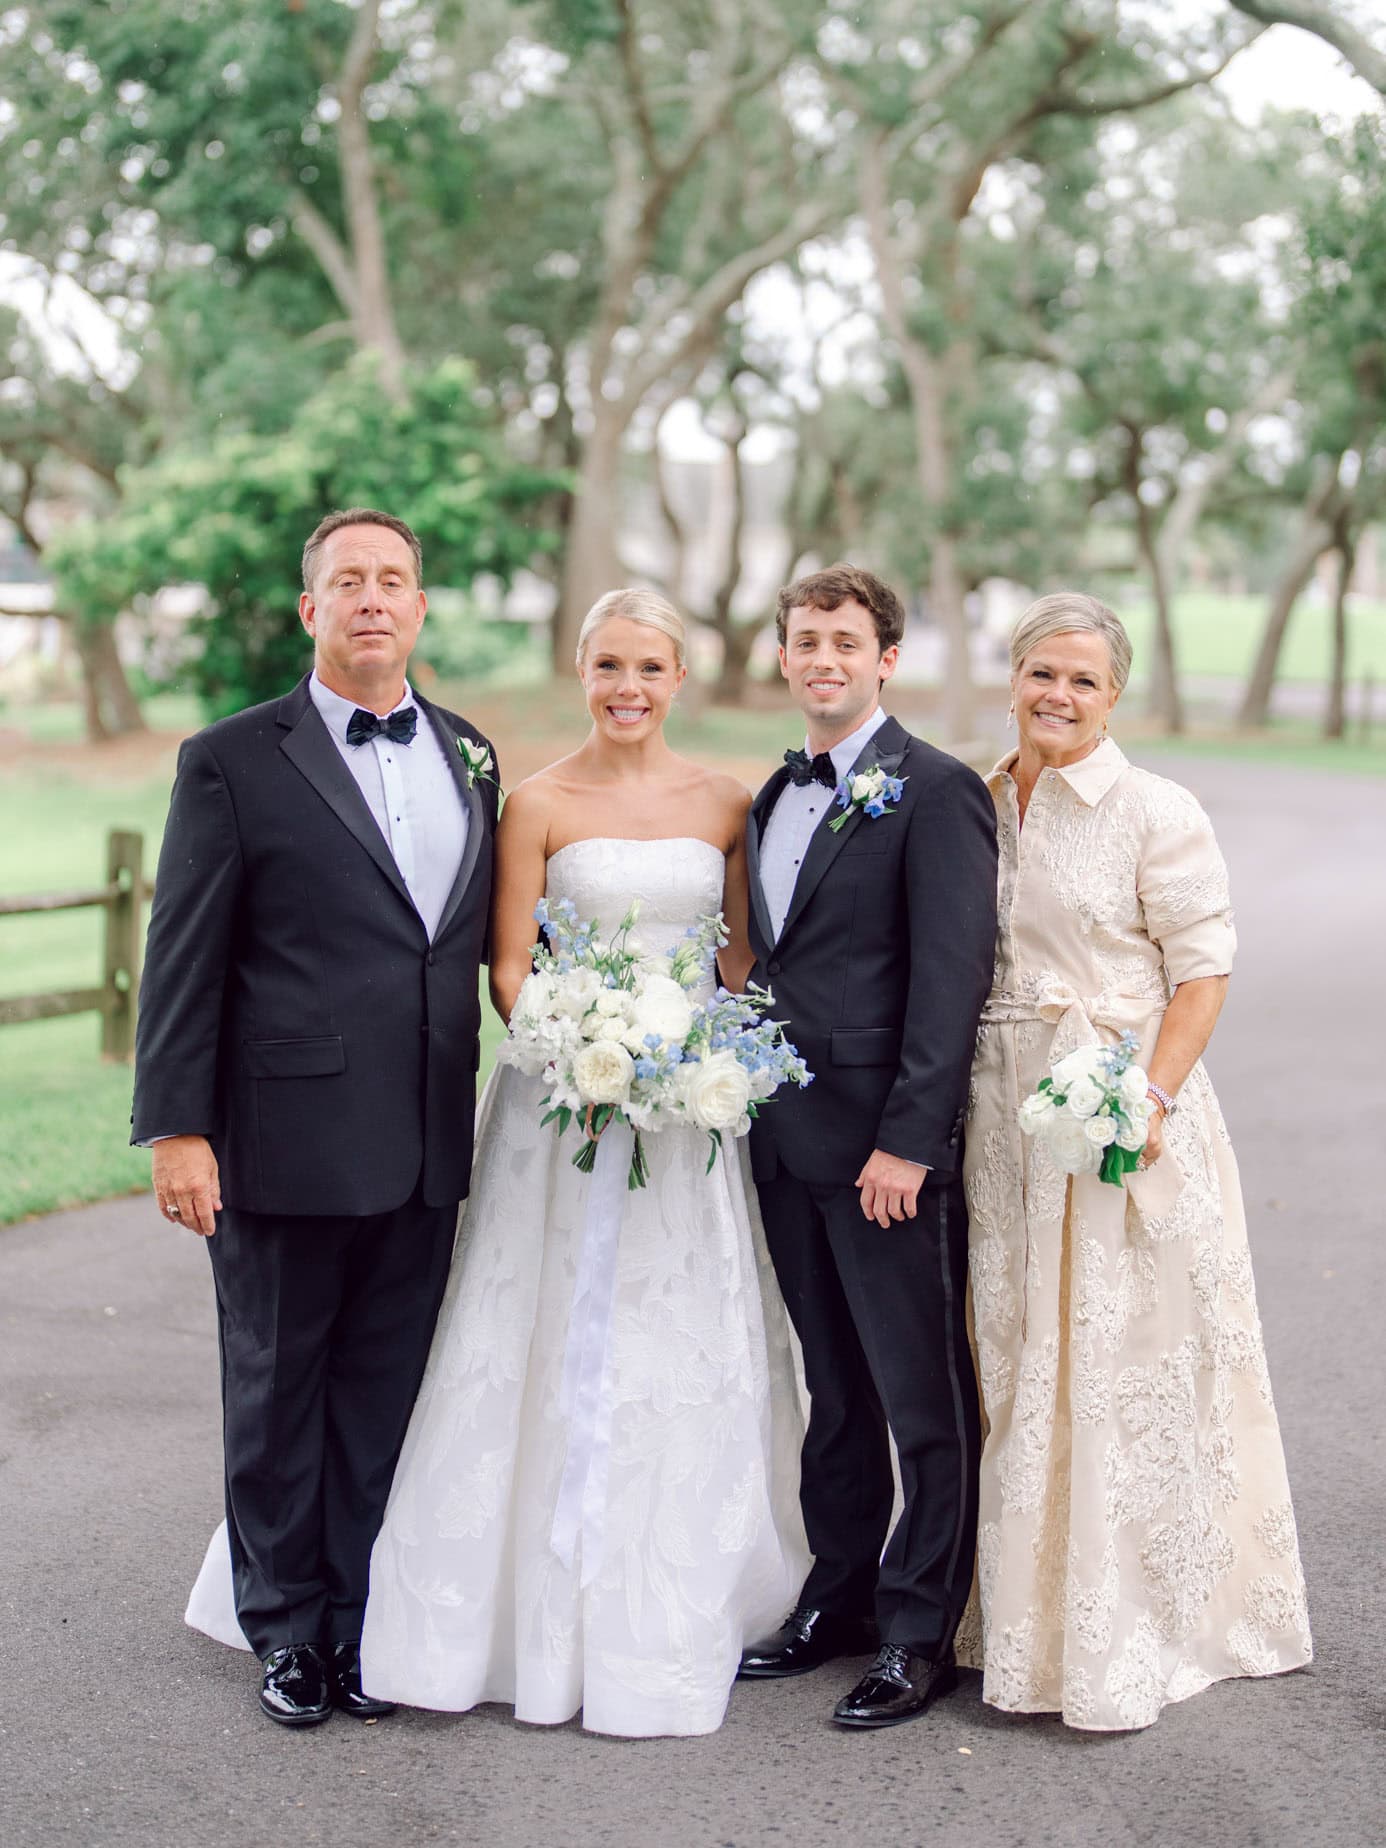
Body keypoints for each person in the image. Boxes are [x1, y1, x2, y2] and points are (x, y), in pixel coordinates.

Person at [355, 588, 809, 1738]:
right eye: (609, 664)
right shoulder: (538, 803)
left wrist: (687, 1062)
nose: (629, 688)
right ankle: (503, 1602)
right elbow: (509, 967)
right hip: (564, 1108)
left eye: (651, 668)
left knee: (680, 1330)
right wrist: (583, 1045)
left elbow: (742, 968)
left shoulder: (725, 801)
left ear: (679, 678)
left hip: (688, 1115)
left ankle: (674, 1584)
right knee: (535, 1324)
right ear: (580, 668)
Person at [136, 509, 500, 1728]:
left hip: (425, 1142)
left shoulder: (472, 753)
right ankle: (282, 1630)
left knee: (380, 1393)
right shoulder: (231, 759)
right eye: (348, 582)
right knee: (277, 1389)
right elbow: (183, 955)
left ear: (421, 606)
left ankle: (355, 1625)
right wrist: (177, 1129)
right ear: (311, 611)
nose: (372, 600)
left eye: (394, 580)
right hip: (279, 1140)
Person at [961, 591, 1312, 1730]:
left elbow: (1203, 970)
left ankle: (1143, 1619)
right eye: (1040, 674)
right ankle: (1021, 1614)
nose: (1057, 696)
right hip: (999, 1105)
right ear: (1010, 677)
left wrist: (1145, 1096)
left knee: (1125, 1359)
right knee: (1014, 1349)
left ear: (1115, 698)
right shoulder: (973, 797)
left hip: (1119, 1109)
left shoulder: (1157, 809)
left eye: (1083, 681)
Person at [737, 565, 999, 1729]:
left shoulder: (934, 790)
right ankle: (835, 1597)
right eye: (806, 641)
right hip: (785, 1140)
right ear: (784, 656)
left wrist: (909, 1142)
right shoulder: (768, 796)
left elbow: (952, 984)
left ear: (887, 657)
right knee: (832, 1391)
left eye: (846, 642)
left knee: (919, 1397)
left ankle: (915, 1632)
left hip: (887, 1157)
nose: (824, 660)